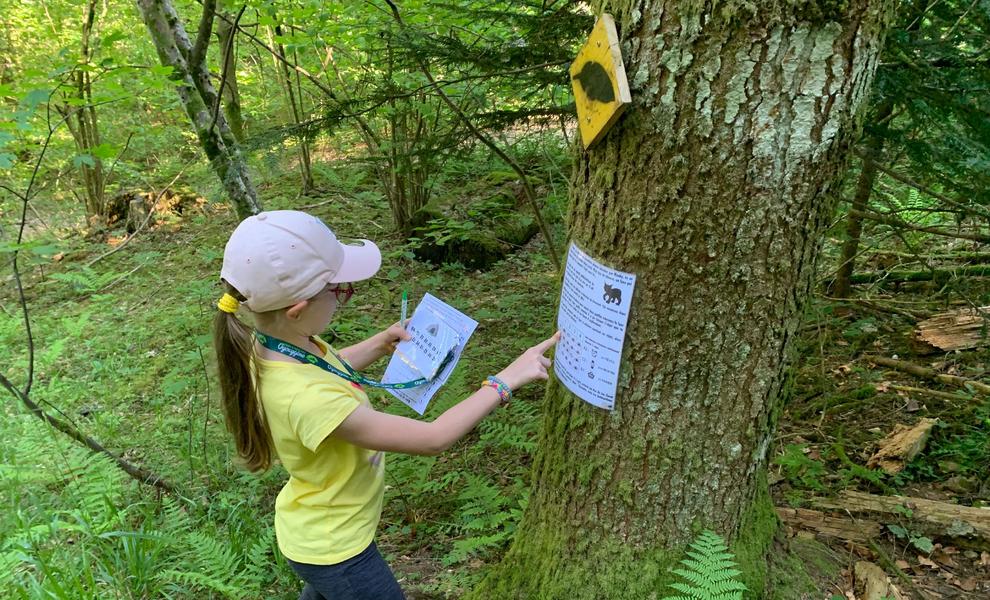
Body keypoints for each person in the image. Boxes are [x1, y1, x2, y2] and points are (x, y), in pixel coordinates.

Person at [212, 210, 558, 600]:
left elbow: (326, 369)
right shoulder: (309, 401)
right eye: (339, 290)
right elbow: (433, 439)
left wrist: (378, 344)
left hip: (312, 531)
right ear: (297, 309)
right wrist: (506, 380)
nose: (345, 297)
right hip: (338, 550)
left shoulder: (274, 346)